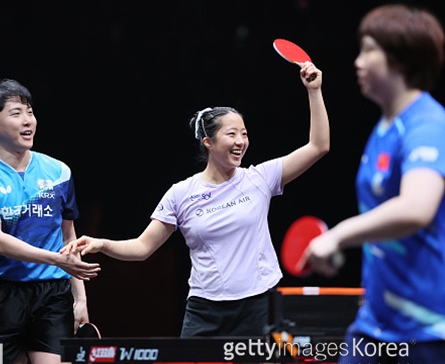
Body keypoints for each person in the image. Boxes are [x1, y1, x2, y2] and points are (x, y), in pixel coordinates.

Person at [62, 60, 329, 338]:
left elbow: (318, 146)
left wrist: (314, 91)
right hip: (205, 310)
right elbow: (143, 247)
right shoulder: (181, 193)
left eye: (244, 134)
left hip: (258, 305)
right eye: (232, 134)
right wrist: (101, 244)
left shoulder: (260, 178)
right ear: (208, 142)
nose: (241, 141)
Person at [301, 4, 445, 364]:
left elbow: (417, 208)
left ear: (400, 59)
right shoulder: (384, 128)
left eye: (369, 50)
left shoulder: (428, 125)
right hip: (378, 319)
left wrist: (339, 236)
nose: (358, 61)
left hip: (429, 321)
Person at [0, 78, 100, 364]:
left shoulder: (59, 172)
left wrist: (80, 299)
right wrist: (56, 259)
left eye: (30, 112)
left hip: (52, 294)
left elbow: (68, 235)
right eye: (16, 113)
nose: (28, 121)